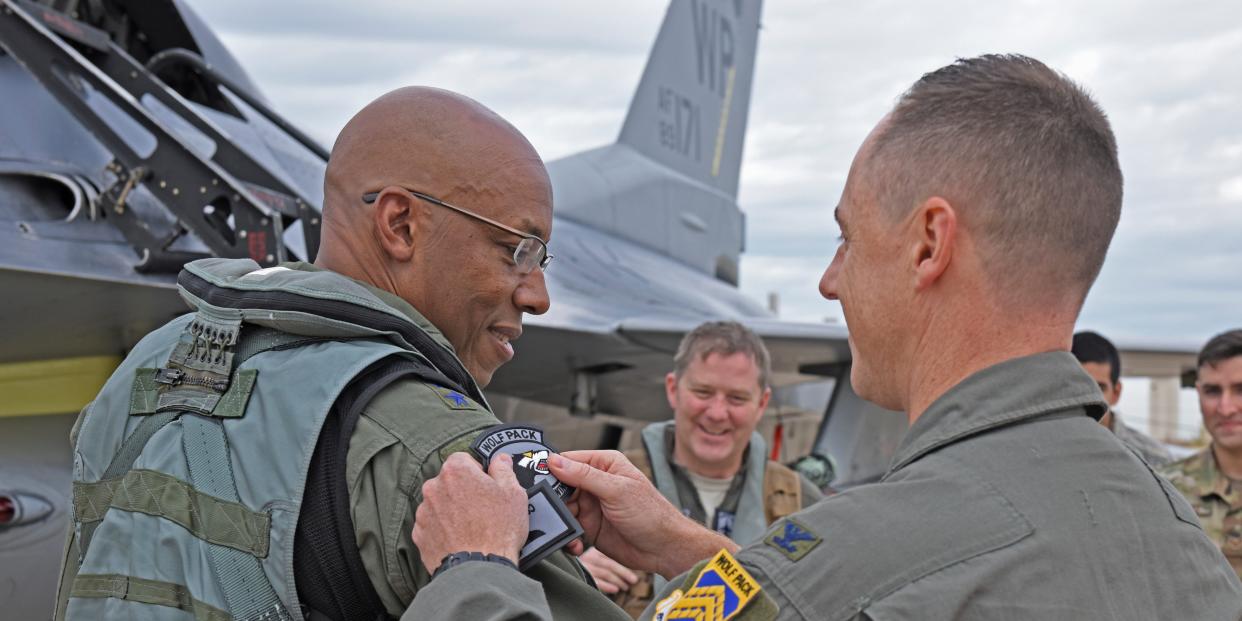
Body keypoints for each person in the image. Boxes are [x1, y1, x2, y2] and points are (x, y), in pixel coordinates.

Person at [402, 55, 1242, 620]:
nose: (828, 281)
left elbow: (852, 576)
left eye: (847, 237)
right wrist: (697, 547)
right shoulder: (1184, 547)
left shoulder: (874, 545)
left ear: (928, 244)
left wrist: (474, 566)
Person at [53, 87, 630, 621]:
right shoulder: (446, 459)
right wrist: (702, 554)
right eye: (516, 250)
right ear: (400, 225)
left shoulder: (148, 368)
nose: (538, 296)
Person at [578, 321, 821, 616]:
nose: (718, 413)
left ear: (762, 403)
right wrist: (575, 575)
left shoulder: (801, 501)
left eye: (737, 398)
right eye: (703, 392)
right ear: (673, 389)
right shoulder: (603, 485)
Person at [1161, 329, 1242, 578]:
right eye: (1212, 391)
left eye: (1241, 389)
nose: (1225, 408)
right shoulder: (1166, 491)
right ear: (1198, 394)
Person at [1071, 330, 1173, 465]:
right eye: (1076, 388)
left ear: (1116, 393)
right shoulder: (1039, 453)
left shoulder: (1154, 460)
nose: (1087, 400)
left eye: (1099, 388)